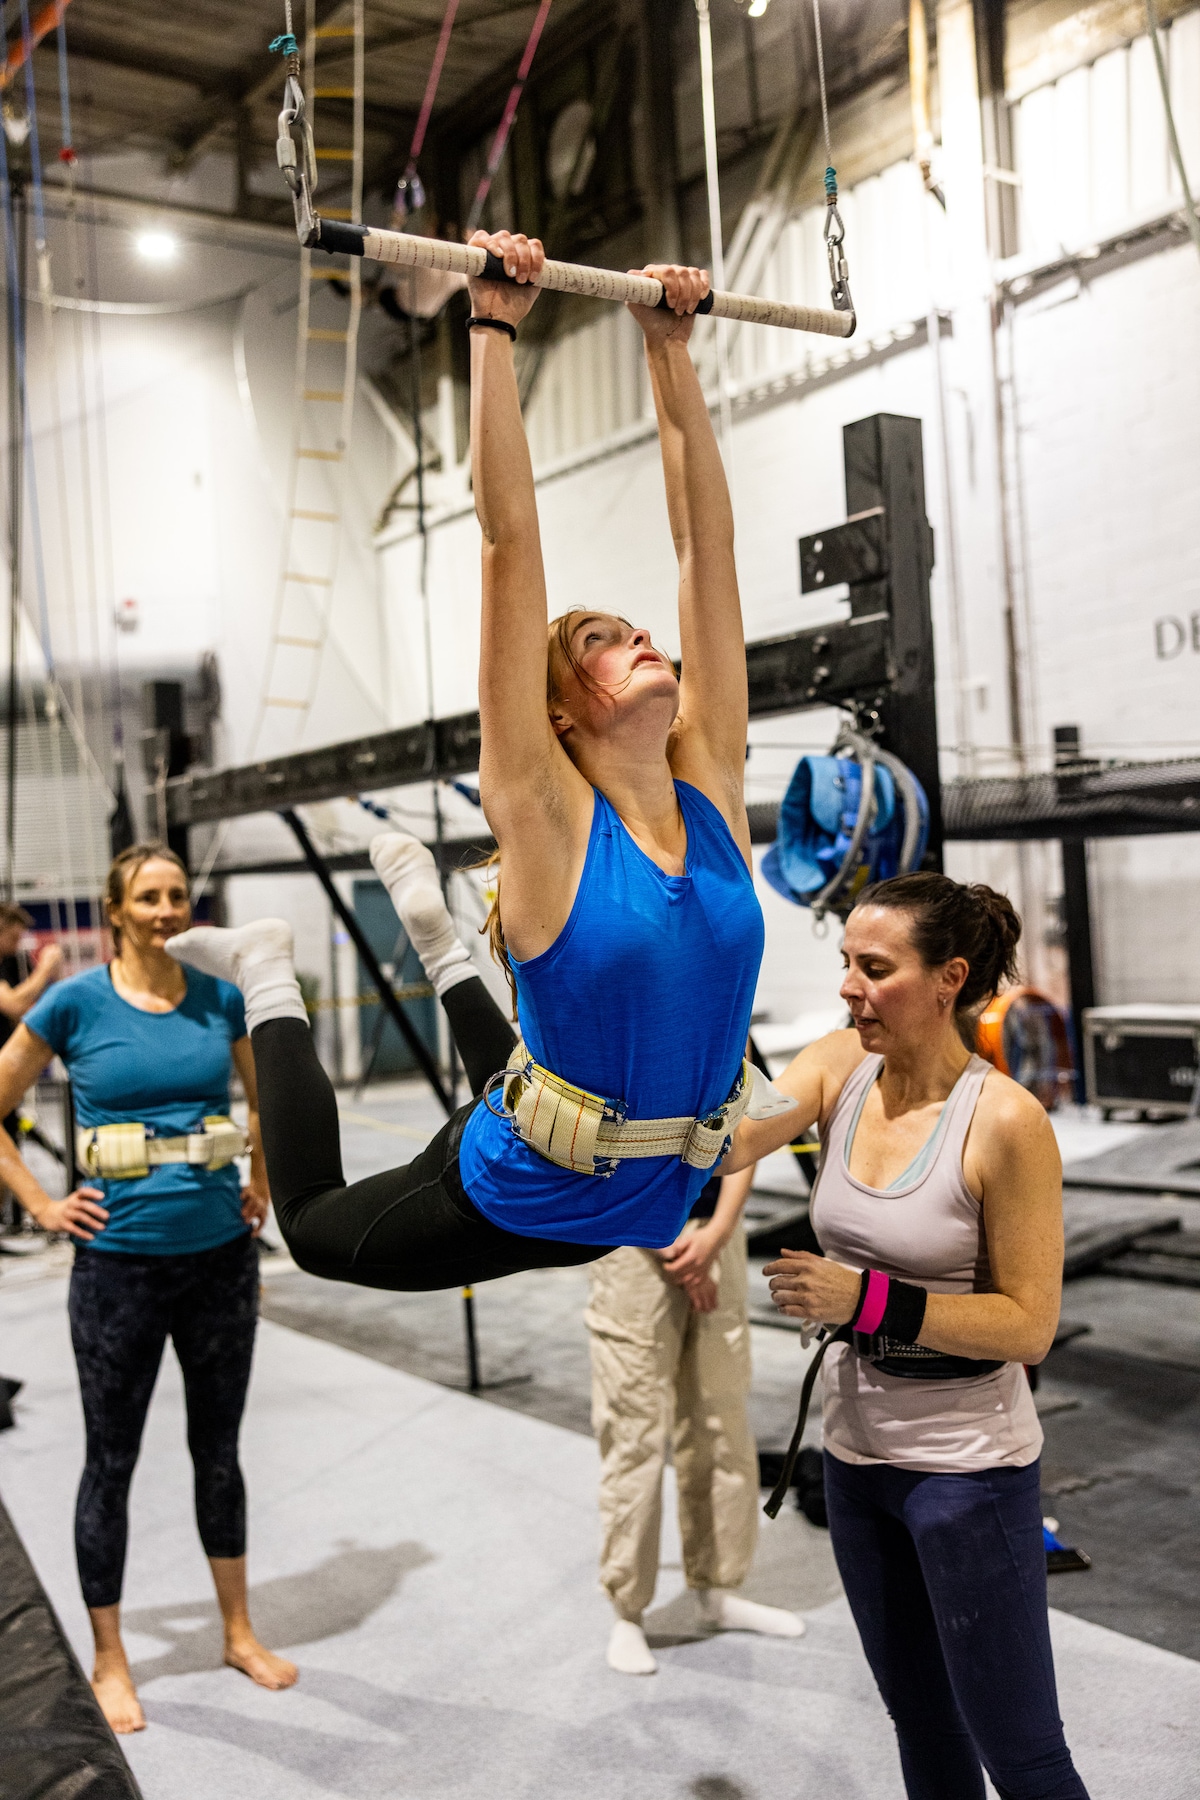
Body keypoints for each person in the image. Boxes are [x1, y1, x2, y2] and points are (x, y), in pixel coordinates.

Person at [166, 229, 772, 1298]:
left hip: (635, 1195)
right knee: (311, 1233)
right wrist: (490, 329)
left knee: (534, 1064)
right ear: (557, 713)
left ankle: (446, 943)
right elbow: (509, 545)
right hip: (513, 1193)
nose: (639, 638)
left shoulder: (710, 786)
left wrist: (668, 350)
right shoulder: (543, 812)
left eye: (639, 630)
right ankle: (271, 973)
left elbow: (706, 553)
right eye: (600, 641)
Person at [723, 872, 1090, 1800]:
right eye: (846, 962)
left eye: (873, 967)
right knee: (922, 1729)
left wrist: (867, 1301)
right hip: (856, 1462)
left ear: (947, 978)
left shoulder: (1005, 1122)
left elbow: (1029, 1323)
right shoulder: (838, 1065)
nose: (848, 985)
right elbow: (726, 1142)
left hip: (968, 1471)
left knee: (1023, 1756)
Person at [0, 844, 296, 1735]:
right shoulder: (72, 1003)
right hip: (117, 1270)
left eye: (178, 895)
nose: (168, 909)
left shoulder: (220, 996)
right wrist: (43, 1206)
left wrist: (265, 1184)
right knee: (112, 1462)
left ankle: (238, 1631)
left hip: (219, 1261)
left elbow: (269, 1101)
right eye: (149, 897)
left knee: (220, 1450)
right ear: (116, 911)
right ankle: (111, 1657)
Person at [587, 1161, 804, 1674]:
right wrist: (671, 1245)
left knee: (721, 1419)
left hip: (715, 1237)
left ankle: (719, 1588)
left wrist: (717, 1234)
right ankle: (628, 1612)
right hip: (629, 1240)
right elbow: (589, 1143)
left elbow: (745, 1129)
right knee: (633, 1432)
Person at [0, 900, 63, 1176]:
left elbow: (21, 1012)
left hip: (6, 1061)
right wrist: (45, 968)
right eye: (12, 937)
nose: (17, 943)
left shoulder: (13, 963)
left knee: (10, 1138)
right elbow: (12, 1003)